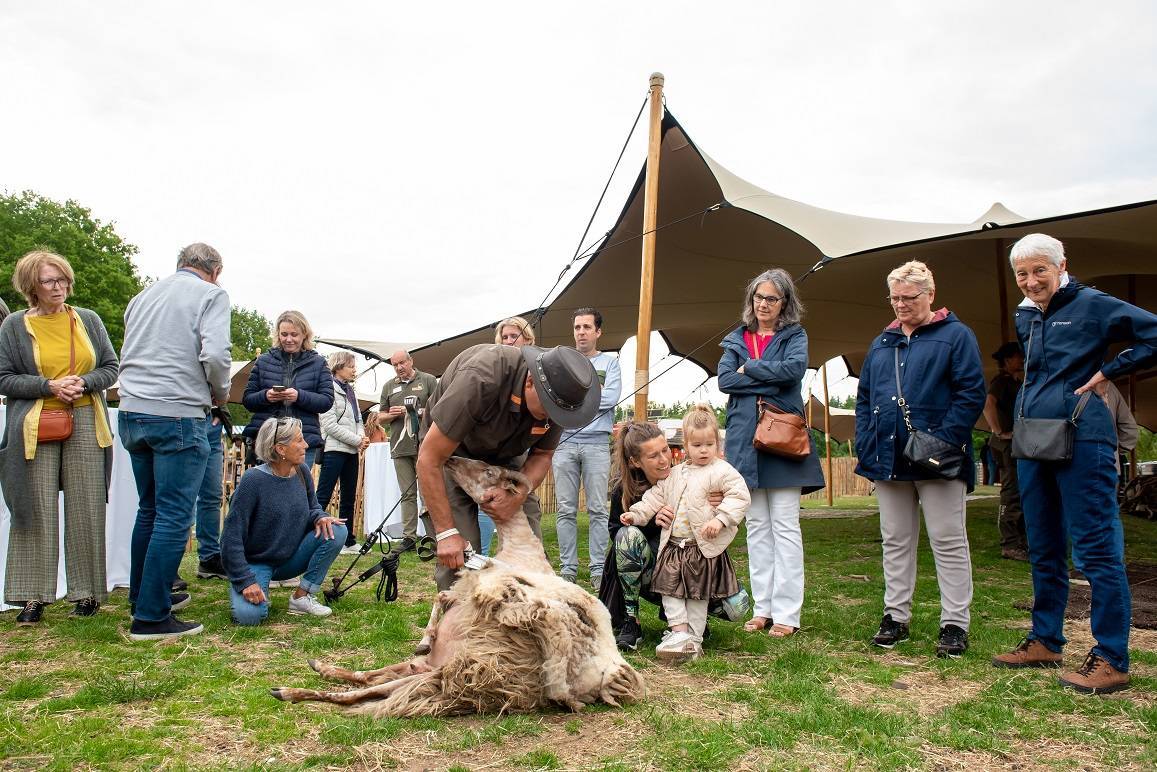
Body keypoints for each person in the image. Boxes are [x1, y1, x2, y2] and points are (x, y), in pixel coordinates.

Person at [992, 233, 1156, 694]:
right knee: (1043, 543)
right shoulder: (1026, 313)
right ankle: (1045, 640)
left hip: (1084, 436)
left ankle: (1112, 657)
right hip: (1034, 437)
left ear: (1061, 265)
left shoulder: (1092, 304)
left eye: (1039, 270)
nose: (1030, 281)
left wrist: (1109, 371)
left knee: (1096, 548)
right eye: (1022, 274)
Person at [854, 260, 985, 658]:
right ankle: (895, 616)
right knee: (895, 539)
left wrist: (942, 442)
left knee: (947, 539)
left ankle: (955, 623)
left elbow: (971, 393)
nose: (900, 305)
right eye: (894, 298)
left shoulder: (956, 336)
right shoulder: (881, 342)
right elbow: (865, 399)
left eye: (909, 297)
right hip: (888, 456)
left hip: (940, 460)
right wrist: (867, 442)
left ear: (930, 294)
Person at [417, 343, 600, 596]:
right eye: (549, 410)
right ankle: (458, 617)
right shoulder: (480, 377)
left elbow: (543, 454)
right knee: (460, 561)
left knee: (529, 555)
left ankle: (525, 614)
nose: (553, 419)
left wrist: (517, 493)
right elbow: (430, 459)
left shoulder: (561, 399)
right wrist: (446, 533)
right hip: (451, 452)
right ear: (530, 383)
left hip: (508, 454)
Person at [118, 243, 231, 641]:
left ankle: (143, 595)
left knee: (149, 509)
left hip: (132, 410)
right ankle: (151, 617)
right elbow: (215, 355)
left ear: (180, 264)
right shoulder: (211, 295)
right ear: (215, 271)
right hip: (177, 411)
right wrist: (220, 395)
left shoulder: (143, 296)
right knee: (173, 515)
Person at [0, 251, 119, 624]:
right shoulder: (14, 326)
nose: (59, 287)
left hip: (85, 417)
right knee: (35, 507)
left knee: (86, 505)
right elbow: (3, 377)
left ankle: (87, 593)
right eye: (50, 281)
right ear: (31, 286)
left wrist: (83, 381)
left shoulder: (87, 319)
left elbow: (111, 367)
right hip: (35, 423)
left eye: (63, 279)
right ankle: (33, 595)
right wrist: (48, 386)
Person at [717, 269, 825, 639]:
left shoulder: (795, 335)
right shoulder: (736, 338)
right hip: (745, 442)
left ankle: (787, 613)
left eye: (771, 298)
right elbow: (725, 380)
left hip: (783, 442)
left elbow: (793, 372)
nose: (763, 304)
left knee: (785, 527)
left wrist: (750, 367)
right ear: (751, 300)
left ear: (784, 303)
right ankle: (763, 608)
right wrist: (768, 378)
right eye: (759, 297)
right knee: (757, 528)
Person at [619, 406, 750, 663]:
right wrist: (635, 515)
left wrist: (721, 519)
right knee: (670, 591)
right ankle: (678, 633)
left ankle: (695, 638)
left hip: (700, 548)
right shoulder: (676, 474)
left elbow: (739, 496)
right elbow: (654, 497)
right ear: (686, 446)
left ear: (718, 443)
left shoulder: (722, 471)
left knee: (697, 595)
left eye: (709, 444)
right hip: (673, 547)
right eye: (697, 445)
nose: (704, 450)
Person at [221, 417, 346, 625]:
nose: (306, 445)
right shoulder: (253, 480)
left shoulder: (301, 471)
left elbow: (313, 507)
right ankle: (253, 586)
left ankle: (302, 597)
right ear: (280, 449)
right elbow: (230, 538)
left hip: (290, 558)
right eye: (299, 440)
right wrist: (245, 581)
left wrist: (321, 517)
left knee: (336, 530)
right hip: (257, 562)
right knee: (250, 617)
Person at [553, 307, 622, 585]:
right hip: (564, 443)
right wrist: (592, 397)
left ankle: (597, 570)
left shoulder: (610, 363)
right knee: (565, 509)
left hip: (597, 444)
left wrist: (572, 400)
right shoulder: (562, 361)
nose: (581, 332)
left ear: (598, 331)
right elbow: (553, 398)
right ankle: (568, 569)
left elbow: (611, 398)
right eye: (577, 327)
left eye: (586, 327)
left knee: (598, 509)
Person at [242, 311, 333, 469]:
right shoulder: (263, 361)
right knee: (266, 483)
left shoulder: (318, 363)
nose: (288, 339)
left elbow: (326, 401)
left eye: (294, 334)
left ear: (304, 334)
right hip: (268, 439)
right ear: (278, 334)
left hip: (303, 439)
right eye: (284, 334)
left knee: (298, 483)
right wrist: (266, 396)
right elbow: (248, 400)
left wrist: (299, 396)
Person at [378, 350, 438, 553]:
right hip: (400, 447)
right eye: (395, 365)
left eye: (402, 362)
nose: (399, 367)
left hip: (425, 445)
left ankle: (435, 536)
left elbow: (438, 409)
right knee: (407, 494)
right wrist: (390, 414)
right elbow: (379, 417)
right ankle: (409, 538)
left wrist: (415, 411)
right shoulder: (389, 386)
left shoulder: (428, 380)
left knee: (428, 493)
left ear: (411, 361)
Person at [317, 351, 368, 554]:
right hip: (334, 450)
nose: (354, 370)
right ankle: (311, 536)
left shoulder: (350, 391)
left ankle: (348, 541)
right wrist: (358, 440)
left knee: (348, 497)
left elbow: (358, 419)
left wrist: (362, 436)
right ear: (338, 367)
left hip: (351, 451)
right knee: (323, 495)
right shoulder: (328, 389)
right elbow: (329, 425)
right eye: (351, 366)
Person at [983, 342, 1028, 561]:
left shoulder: (1015, 382)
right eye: (1019, 356)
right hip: (1006, 445)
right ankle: (1009, 544)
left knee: (1020, 492)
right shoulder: (1001, 381)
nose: (1022, 359)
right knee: (1011, 494)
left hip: (1016, 444)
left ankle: (1020, 540)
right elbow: (988, 404)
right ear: (1008, 360)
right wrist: (998, 431)